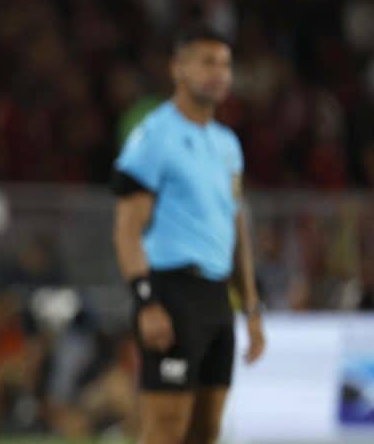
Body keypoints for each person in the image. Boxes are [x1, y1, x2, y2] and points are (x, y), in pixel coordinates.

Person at [111, 27, 266, 444]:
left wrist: (251, 308)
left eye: (225, 64)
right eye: (207, 62)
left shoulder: (227, 144)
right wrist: (147, 302)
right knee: (164, 430)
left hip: (217, 298)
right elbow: (127, 227)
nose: (219, 73)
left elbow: (235, 228)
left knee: (207, 431)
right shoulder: (155, 135)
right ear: (178, 68)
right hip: (172, 293)